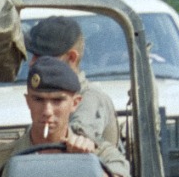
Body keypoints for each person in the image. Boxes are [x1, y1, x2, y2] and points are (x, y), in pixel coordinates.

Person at [0, 57, 132, 177]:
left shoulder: (100, 153)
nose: (47, 111)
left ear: (75, 103)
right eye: (38, 100)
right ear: (28, 101)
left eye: (57, 100)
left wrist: (84, 163)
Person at [26, 15, 120, 147]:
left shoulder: (90, 99)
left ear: (71, 58)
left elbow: (63, 145)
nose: (32, 63)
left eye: (42, 57)